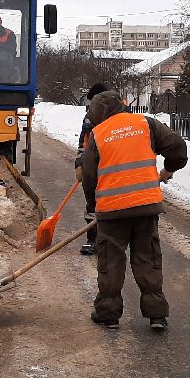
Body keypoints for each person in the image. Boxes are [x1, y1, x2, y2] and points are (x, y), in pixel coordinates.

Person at [80, 90, 187, 330]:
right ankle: (157, 314)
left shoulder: (98, 134)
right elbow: (177, 148)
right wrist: (169, 168)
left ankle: (108, 314)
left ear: (100, 114)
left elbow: (88, 176)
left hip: (112, 212)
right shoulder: (146, 124)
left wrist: (93, 206)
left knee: (111, 261)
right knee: (147, 258)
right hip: (145, 207)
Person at [75, 82, 120, 255]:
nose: (91, 106)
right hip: (94, 165)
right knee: (92, 201)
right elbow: (84, 143)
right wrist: (79, 164)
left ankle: (111, 240)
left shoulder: (120, 116)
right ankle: (92, 239)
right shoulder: (89, 117)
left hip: (115, 165)